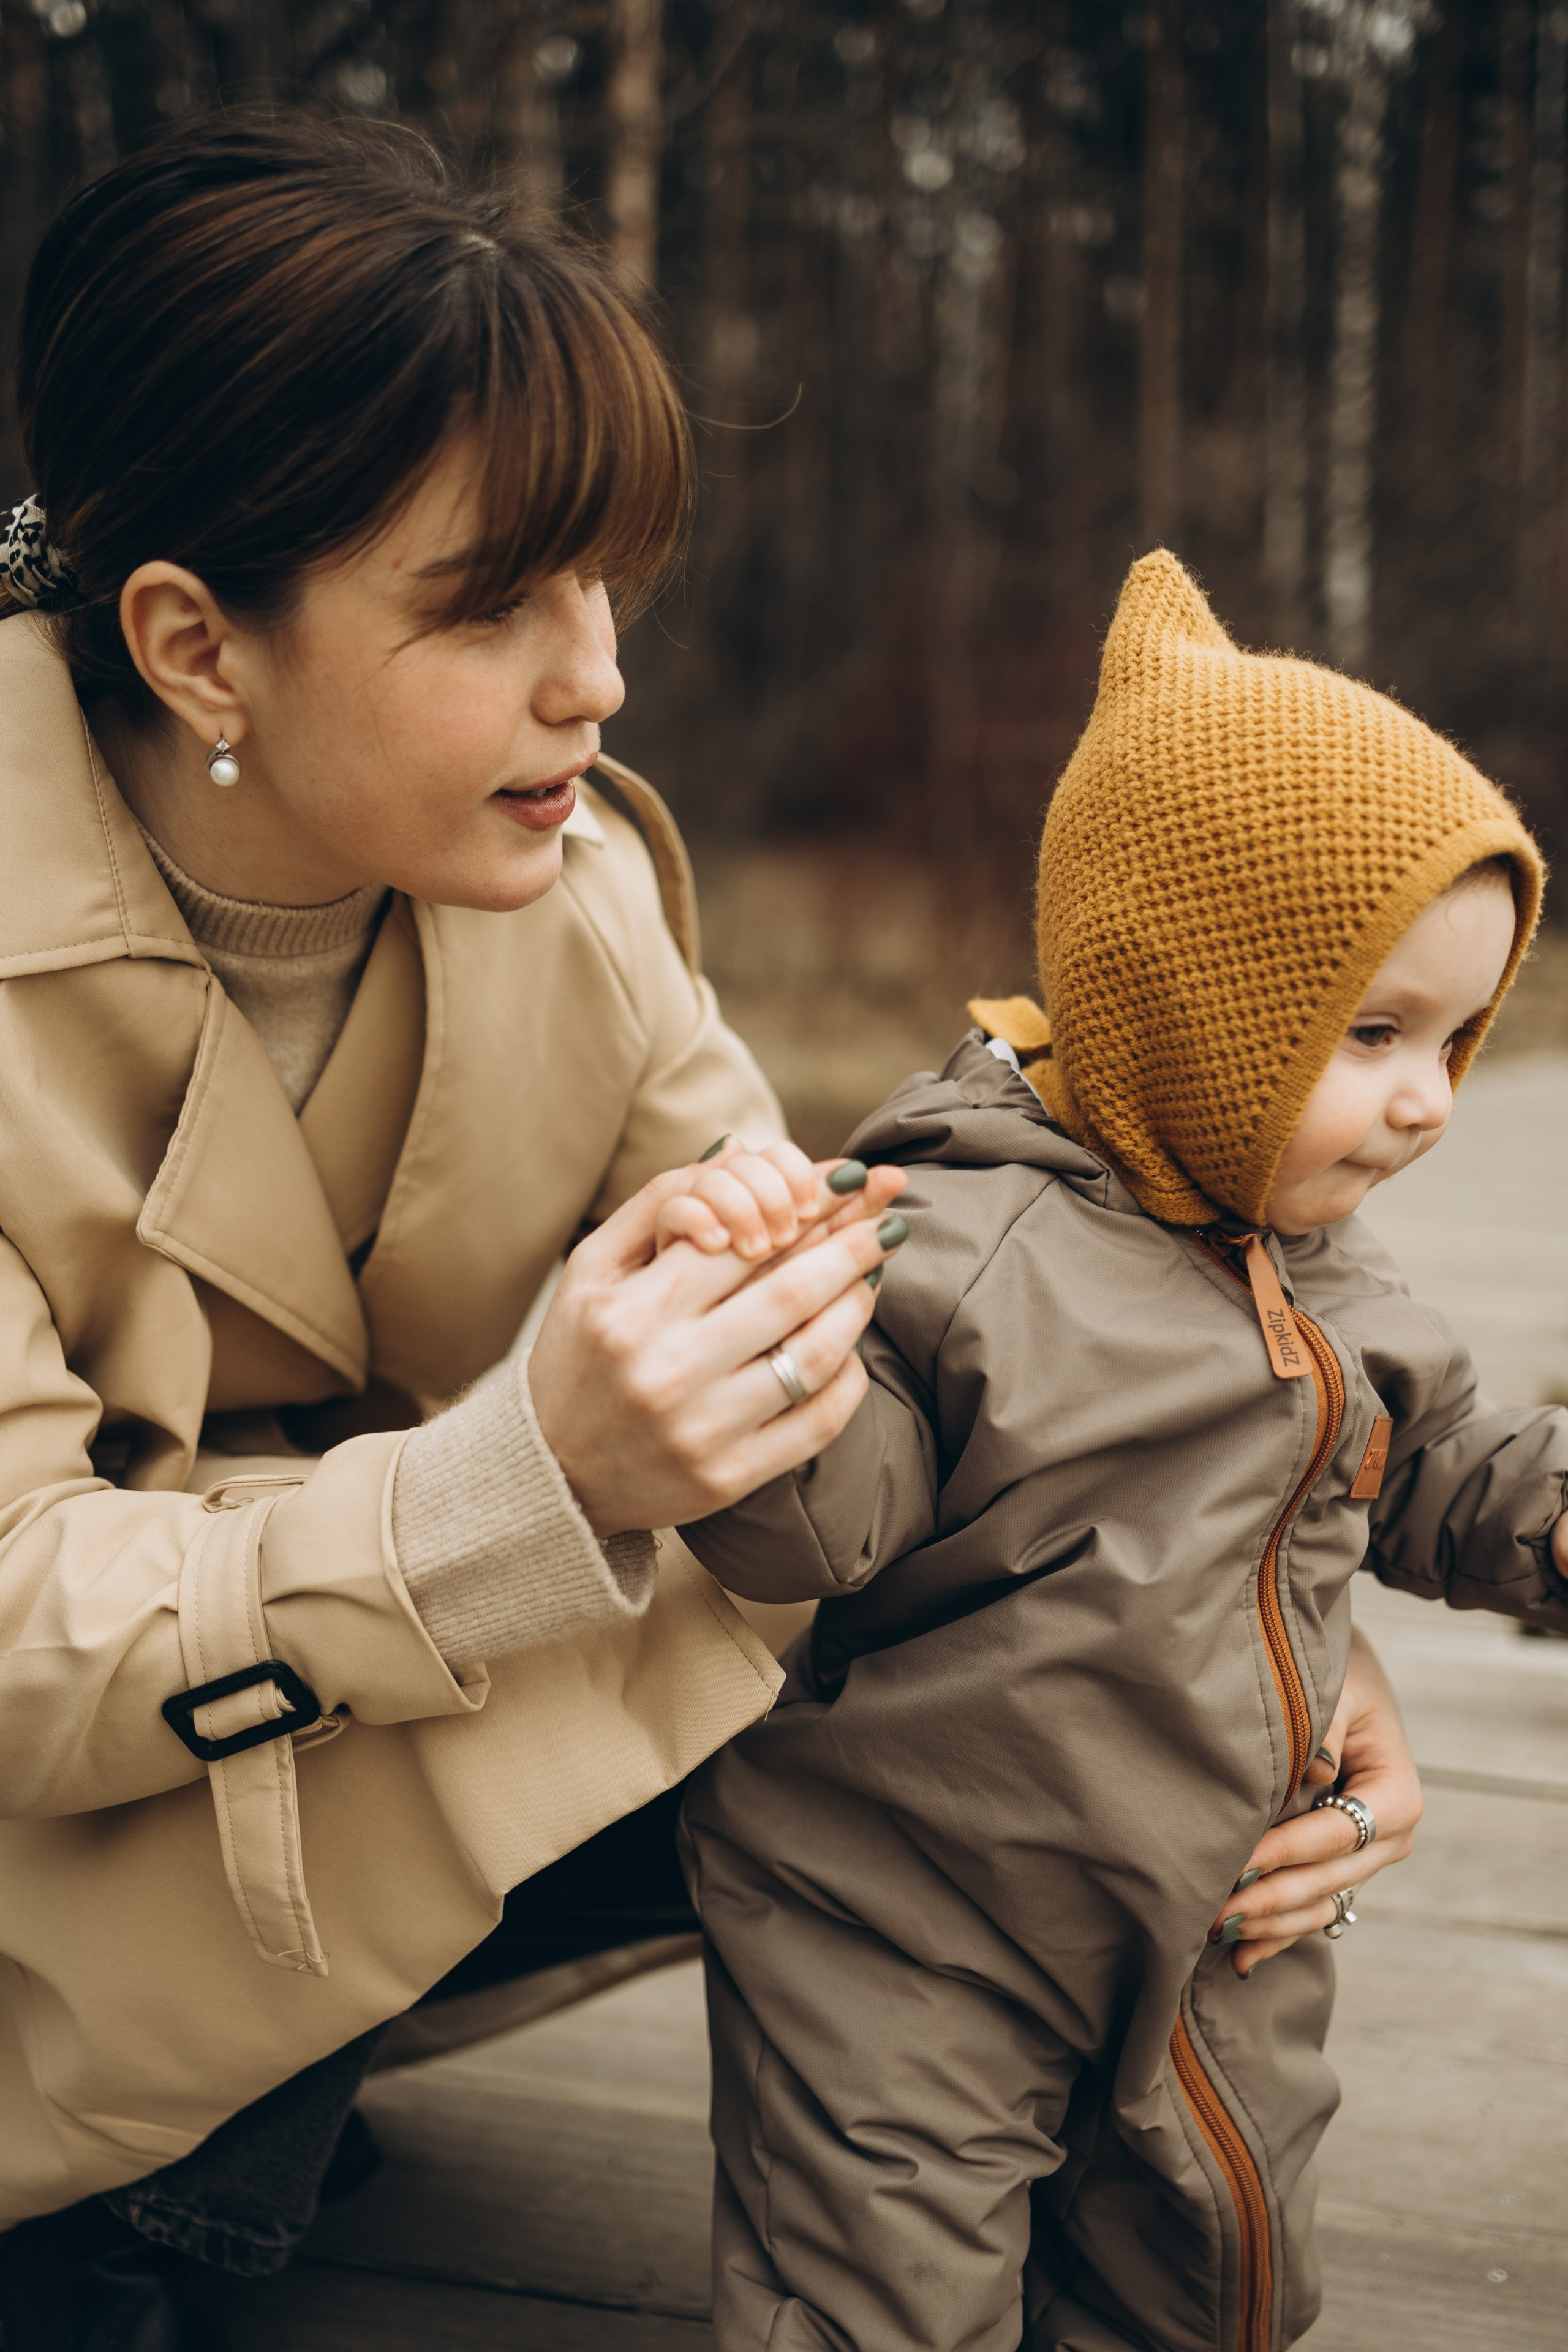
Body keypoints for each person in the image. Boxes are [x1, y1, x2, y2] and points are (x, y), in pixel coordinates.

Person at [0, 110, 911, 2351]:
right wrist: (530, 1488)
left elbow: (870, 1324)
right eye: (492, 603)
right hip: (50, 1864)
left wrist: (1274, 1640)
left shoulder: (574, 881)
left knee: (978, 1639)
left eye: (606, 582)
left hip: (341, 1770)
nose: (595, 677)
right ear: (198, 648)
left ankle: (263, 2094)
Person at [675, 552, 1568, 2352]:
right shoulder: (960, 1248)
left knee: (1212, 2275)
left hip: (1219, 1919)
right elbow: (818, 1532)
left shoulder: (1330, 1270)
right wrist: (778, 1373)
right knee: (879, 2301)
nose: (1429, 1101)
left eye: (1461, 1040)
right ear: (1190, 1010)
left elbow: (1440, 1469)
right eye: (1375, 1036)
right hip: (905, 1923)